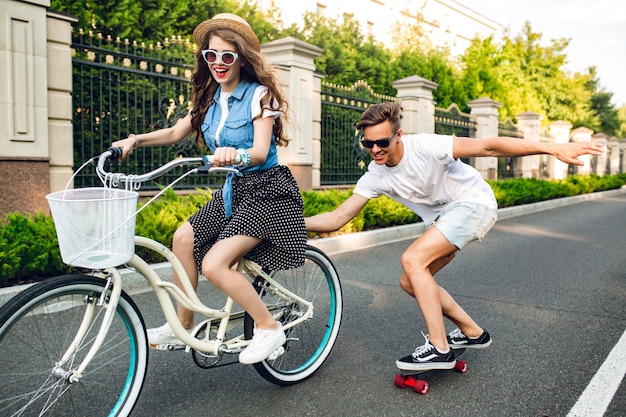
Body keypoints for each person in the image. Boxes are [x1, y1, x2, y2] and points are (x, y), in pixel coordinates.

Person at [305, 101, 605, 371]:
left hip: (474, 203)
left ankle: (439, 348)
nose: (376, 149)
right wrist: (290, 225)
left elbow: (488, 147)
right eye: (368, 143)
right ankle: (472, 331)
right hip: (445, 218)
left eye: (382, 141)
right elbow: (338, 218)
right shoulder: (375, 175)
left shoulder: (426, 146)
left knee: (412, 259)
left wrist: (552, 148)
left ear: (399, 135)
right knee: (409, 279)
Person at [112, 13, 307, 364]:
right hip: (237, 190)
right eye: (210, 55)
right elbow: (175, 133)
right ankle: (181, 326)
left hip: (268, 191)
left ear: (241, 58)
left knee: (217, 265)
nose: (218, 63)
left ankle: (268, 327)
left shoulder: (258, 96)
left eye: (227, 56)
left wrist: (238, 154)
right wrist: (133, 140)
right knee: (182, 239)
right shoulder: (209, 98)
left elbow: (262, 151)